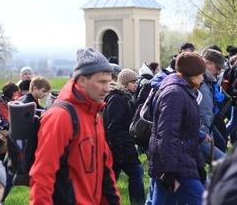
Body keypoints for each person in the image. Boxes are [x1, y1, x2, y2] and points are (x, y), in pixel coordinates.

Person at [30, 47, 121, 204]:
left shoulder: (95, 115)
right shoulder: (60, 117)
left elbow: (106, 172)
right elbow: (42, 175)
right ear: (82, 80)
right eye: (101, 82)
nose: (107, 89)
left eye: (109, 82)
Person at [148, 52, 207, 204]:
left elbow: (190, 134)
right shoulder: (175, 93)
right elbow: (167, 134)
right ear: (192, 75)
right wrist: (169, 171)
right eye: (201, 74)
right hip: (174, 164)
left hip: (178, 161)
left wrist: (199, 165)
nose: (203, 78)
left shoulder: (185, 91)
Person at [103, 69, 145, 204]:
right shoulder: (117, 99)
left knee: (111, 179)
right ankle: (137, 201)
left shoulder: (125, 98)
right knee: (136, 172)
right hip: (120, 146)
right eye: (132, 82)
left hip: (123, 145)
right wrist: (117, 153)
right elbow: (113, 127)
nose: (136, 84)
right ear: (125, 83)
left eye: (136, 81)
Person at [199, 49, 227, 162]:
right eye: (217, 68)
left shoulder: (209, 80)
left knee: (221, 145)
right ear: (207, 62)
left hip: (207, 128)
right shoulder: (197, 81)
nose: (219, 72)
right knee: (224, 163)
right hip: (199, 133)